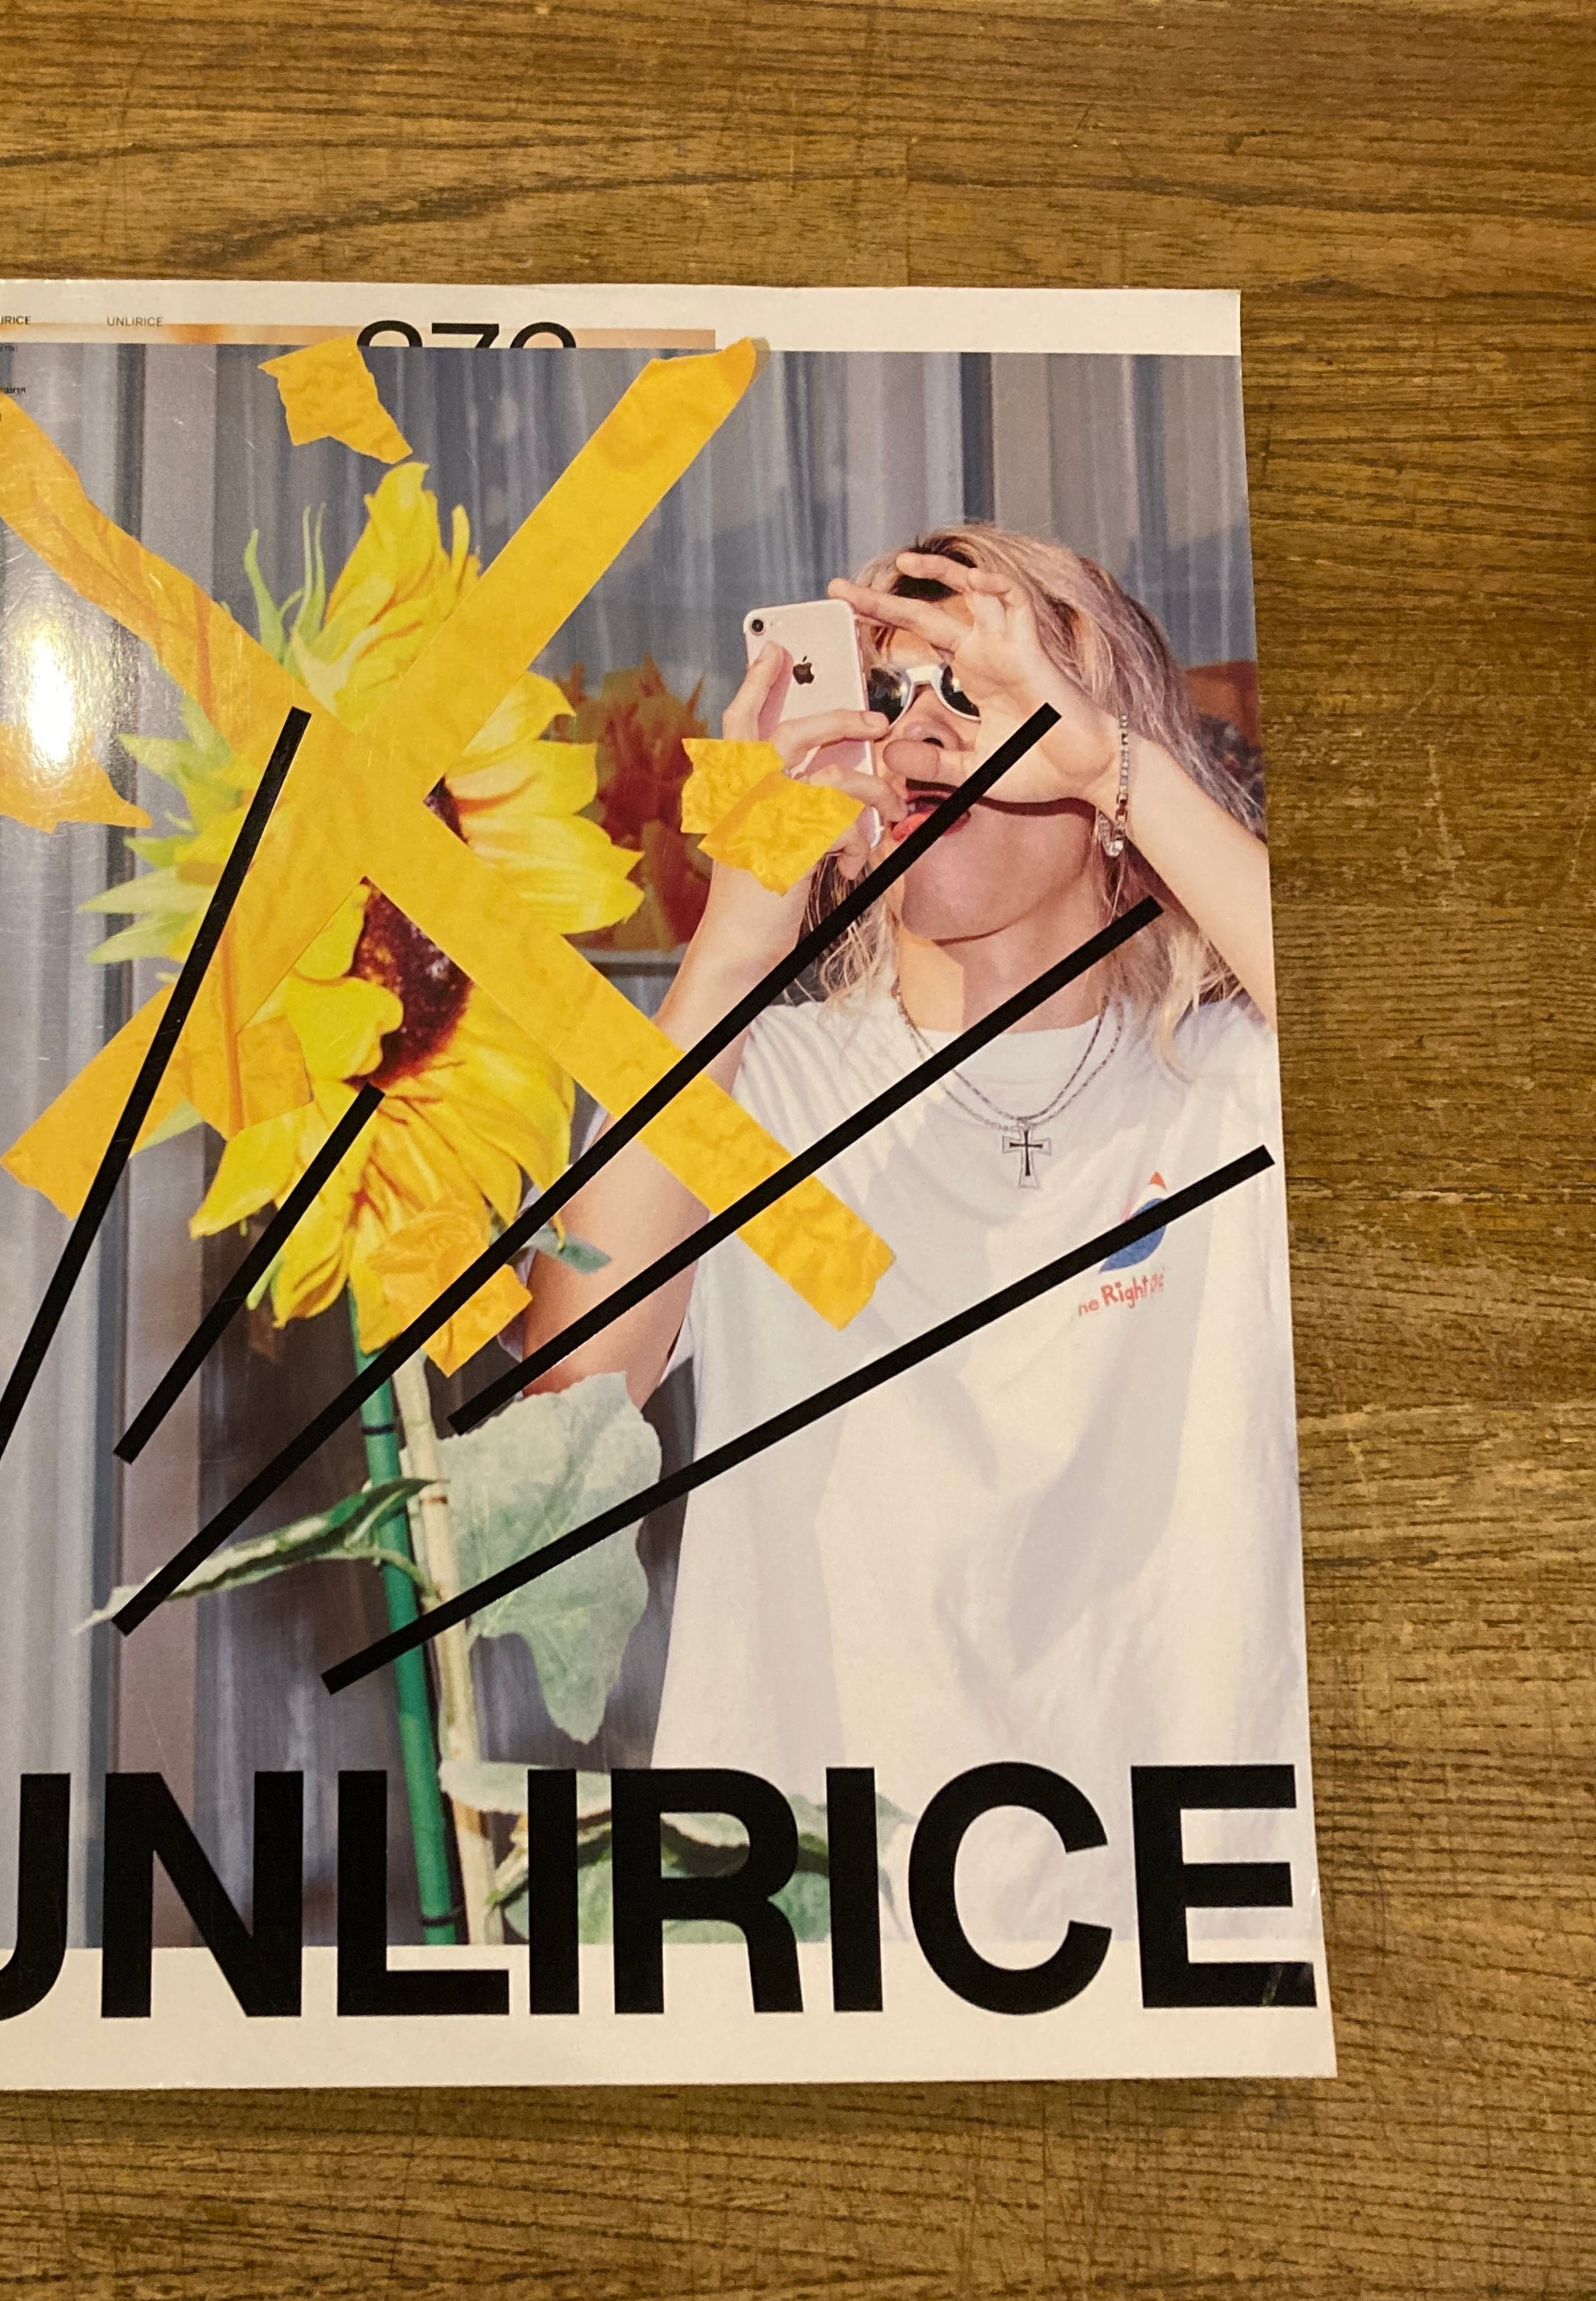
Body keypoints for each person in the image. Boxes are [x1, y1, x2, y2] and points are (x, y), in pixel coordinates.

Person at [525, 525, 1316, 1952]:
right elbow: (569, 1404)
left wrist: (1123, 771)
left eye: (982, 690)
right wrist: (733, 941)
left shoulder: (1229, 1086)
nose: (922, 737)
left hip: (1180, 1915)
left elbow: (1445, 1108)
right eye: (887, 697)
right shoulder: (751, 1084)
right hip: (811, 1927)